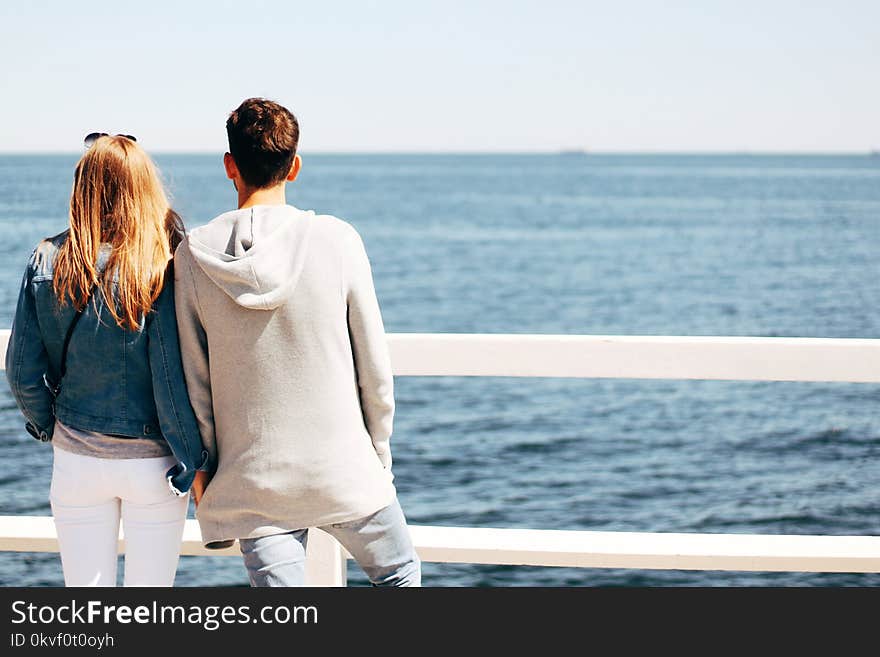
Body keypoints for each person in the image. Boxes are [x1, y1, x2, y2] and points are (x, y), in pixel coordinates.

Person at [174, 97, 421, 586]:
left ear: (230, 166)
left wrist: (206, 470)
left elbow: (194, 384)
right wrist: (378, 459)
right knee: (400, 576)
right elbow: (374, 369)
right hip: (344, 468)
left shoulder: (191, 258)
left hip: (253, 481)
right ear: (295, 166)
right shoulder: (338, 240)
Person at [5, 134, 209, 587]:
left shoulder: (48, 258)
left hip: (77, 457)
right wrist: (194, 455)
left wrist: (50, 425)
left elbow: (20, 371)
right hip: (153, 462)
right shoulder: (165, 261)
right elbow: (177, 374)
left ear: (83, 189)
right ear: (142, 188)